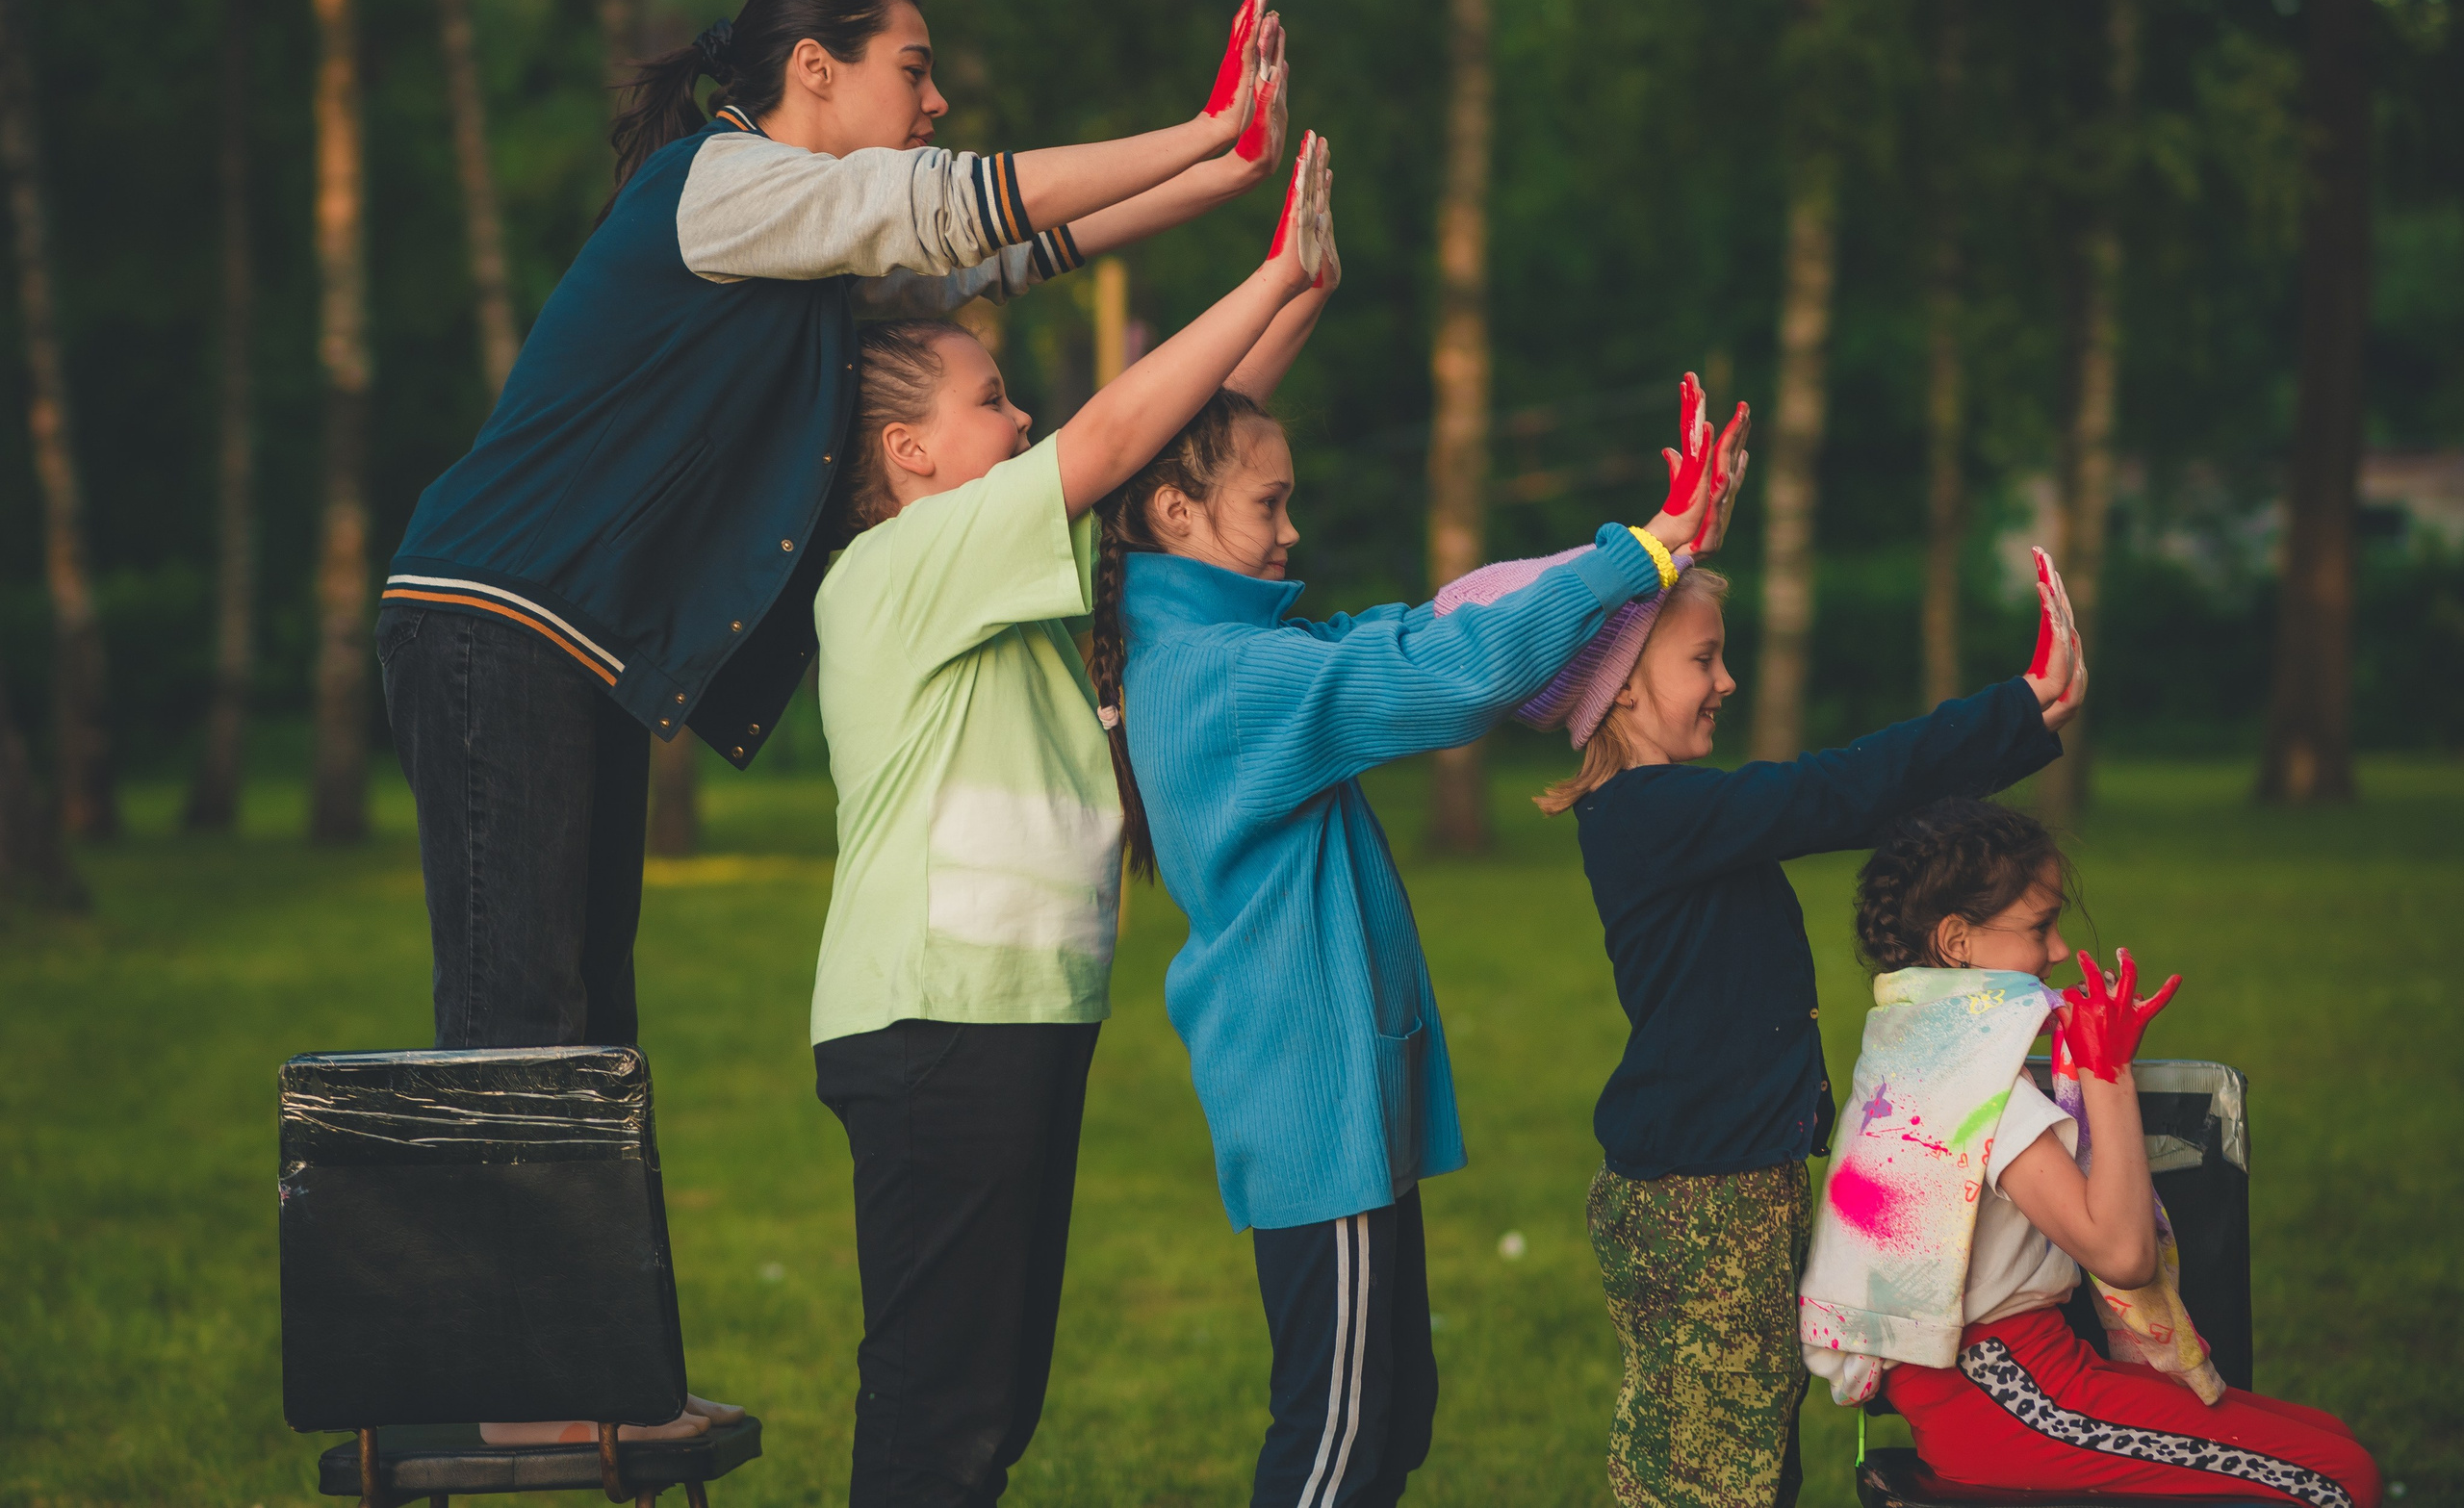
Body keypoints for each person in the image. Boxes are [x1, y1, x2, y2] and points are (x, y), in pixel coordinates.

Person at [377, 0, 1288, 1057]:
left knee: (585, 1030)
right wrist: (1200, 130)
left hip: (565, 636)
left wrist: (1224, 174)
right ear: (815, 66)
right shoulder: (723, 185)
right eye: (912, 69)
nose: (935, 101)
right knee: (519, 1027)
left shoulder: (804, 246)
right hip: (495, 615)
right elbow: (954, 206)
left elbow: (994, 257)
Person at [1085, 367, 1742, 1507]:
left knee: (1389, 1415)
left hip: (1337, 1096)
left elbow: (1436, 620)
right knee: (1336, 1441)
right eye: (1269, 503)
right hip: (1315, 1104)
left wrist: (1653, 548)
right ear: (1173, 511)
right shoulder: (1228, 676)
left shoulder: (1225, 652)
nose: (1292, 530)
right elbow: (1446, 672)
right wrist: (1638, 555)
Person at [806, 133, 1334, 1507]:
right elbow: (1112, 440)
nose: (1024, 415)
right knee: (941, 1405)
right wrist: (1265, 271)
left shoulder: (990, 563)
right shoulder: (900, 563)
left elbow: (1178, 457)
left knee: (990, 1399)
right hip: (936, 1017)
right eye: (992, 400)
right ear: (909, 452)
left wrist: (1296, 293)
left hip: (1011, 1013)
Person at [1543, 538, 2086, 1508]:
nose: (1726, 679)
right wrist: (2012, 708)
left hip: (1729, 1179)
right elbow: (1832, 792)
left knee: (1738, 1453)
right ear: (1621, 687)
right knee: (1715, 1474)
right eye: (1702, 658)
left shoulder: (1668, 814)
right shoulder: (1649, 812)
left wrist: (2019, 725)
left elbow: (1848, 803)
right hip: (1705, 1199)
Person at [1804, 799, 2381, 1507]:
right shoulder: (1978, 1092)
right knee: (2338, 1478)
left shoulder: (1914, 1050)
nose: (2057, 949)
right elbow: (2123, 1254)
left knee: (2333, 1441)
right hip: (2007, 1400)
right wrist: (2107, 1072)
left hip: (2007, 1385)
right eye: (2039, 927)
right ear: (1957, 942)